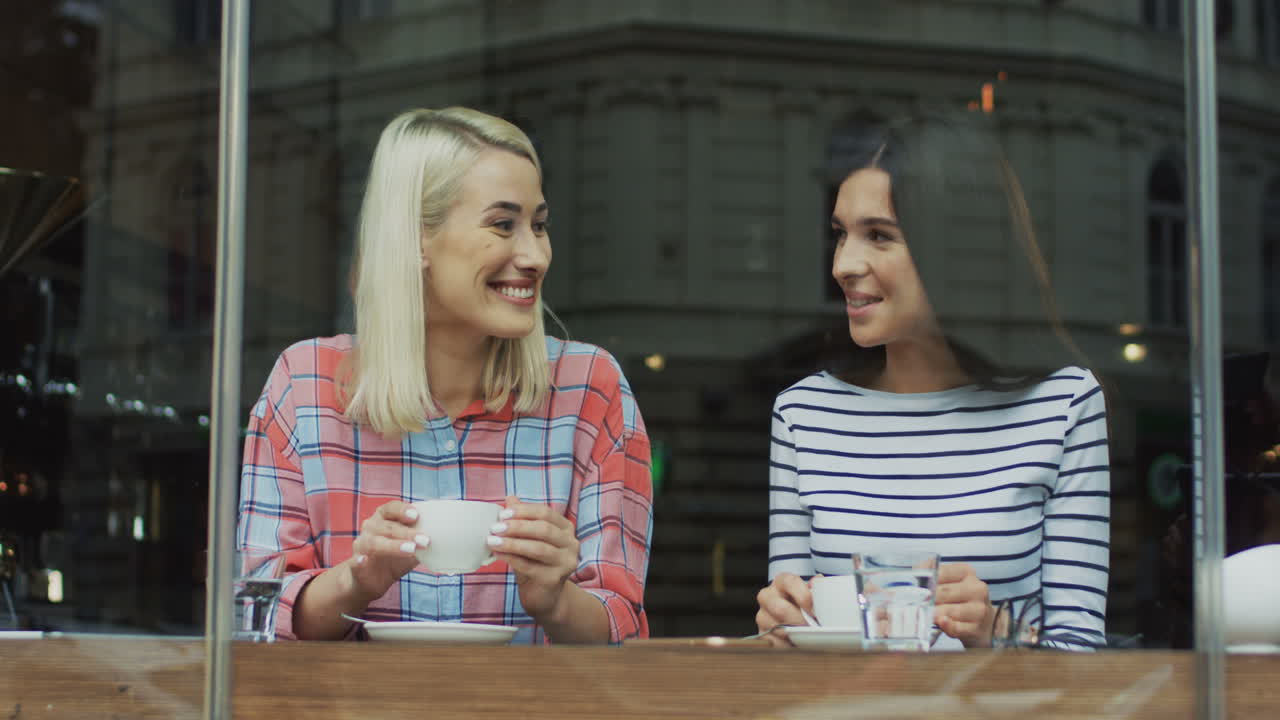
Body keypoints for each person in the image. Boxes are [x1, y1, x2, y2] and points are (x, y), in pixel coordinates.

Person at [237, 107, 653, 645]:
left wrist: (555, 599)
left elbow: (622, 628)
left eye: (539, 225)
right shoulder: (305, 384)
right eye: (504, 225)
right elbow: (256, 620)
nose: (535, 255)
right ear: (414, 240)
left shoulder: (589, 386)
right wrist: (355, 581)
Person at [755, 114, 1110, 650]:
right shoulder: (803, 415)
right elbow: (791, 644)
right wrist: (775, 632)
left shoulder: (1063, 405)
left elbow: (1085, 665)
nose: (843, 264)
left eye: (879, 236)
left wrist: (997, 633)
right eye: (840, 235)